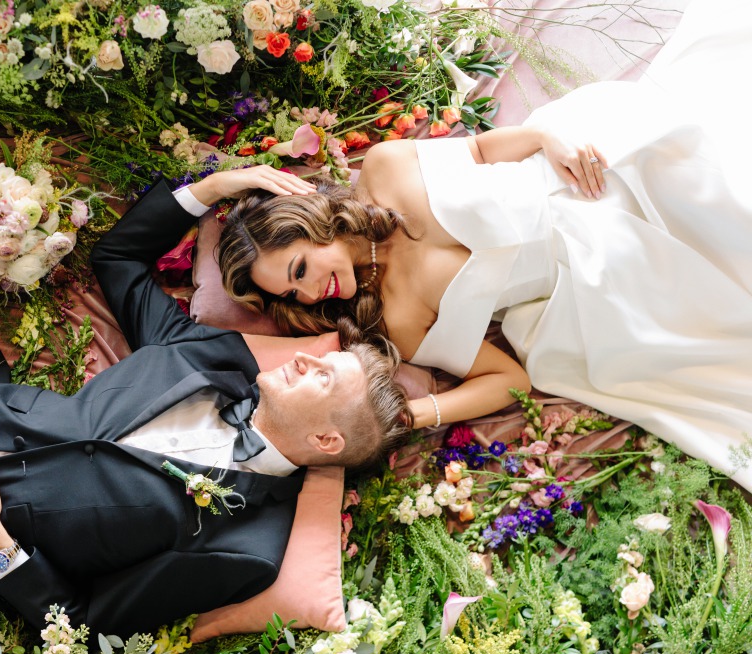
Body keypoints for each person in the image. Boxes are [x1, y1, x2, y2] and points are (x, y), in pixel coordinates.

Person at [0, 178, 412, 637]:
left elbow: (81, 622)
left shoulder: (246, 548)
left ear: (326, 440)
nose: (300, 355)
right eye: (323, 352)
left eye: (324, 374)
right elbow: (120, 258)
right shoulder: (211, 354)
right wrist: (219, 186)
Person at [210, 0, 752, 488]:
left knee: (705, 180)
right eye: (292, 293)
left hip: (577, 175)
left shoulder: (386, 165)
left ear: (312, 224)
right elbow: (508, 380)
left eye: (300, 268)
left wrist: (545, 138)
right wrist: (416, 415)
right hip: (591, 271)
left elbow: (483, 153)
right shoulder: (394, 319)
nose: (309, 295)